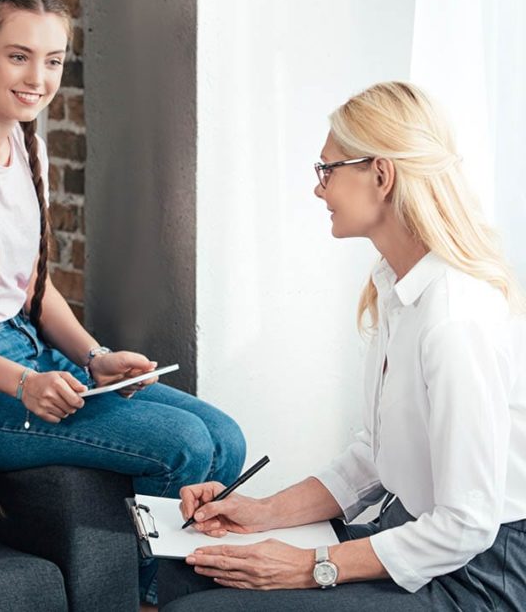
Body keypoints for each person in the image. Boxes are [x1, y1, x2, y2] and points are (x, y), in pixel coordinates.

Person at [0, 0, 246, 606]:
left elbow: (33, 285)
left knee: (226, 437)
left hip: (31, 353)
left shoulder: (32, 148)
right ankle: (155, 598)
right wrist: (21, 384)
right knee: (183, 446)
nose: (38, 78)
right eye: (19, 56)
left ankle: (188, 591)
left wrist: (93, 356)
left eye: (52, 61)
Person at [166, 81, 526, 611]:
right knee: (191, 573)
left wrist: (306, 566)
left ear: (380, 175)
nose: (319, 189)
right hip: (412, 533)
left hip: (475, 575)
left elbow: (466, 524)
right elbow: (374, 460)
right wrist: (259, 512)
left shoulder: (454, 320)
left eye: (326, 169)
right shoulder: (397, 288)